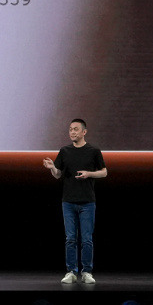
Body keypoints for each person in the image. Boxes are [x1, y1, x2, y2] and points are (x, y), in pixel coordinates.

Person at [41, 118, 106, 284]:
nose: (72, 132)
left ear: (84, 132)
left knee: (86, 239)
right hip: (68, 202)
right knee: (70, 238)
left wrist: (89, 174)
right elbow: (58, 175)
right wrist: (52, 167)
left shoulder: (93, 151)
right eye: (70, 129)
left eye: (76, 129)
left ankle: (87, 272)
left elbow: (104, 172)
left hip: (87, 201)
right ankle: (71, 271)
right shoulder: (64, 151)